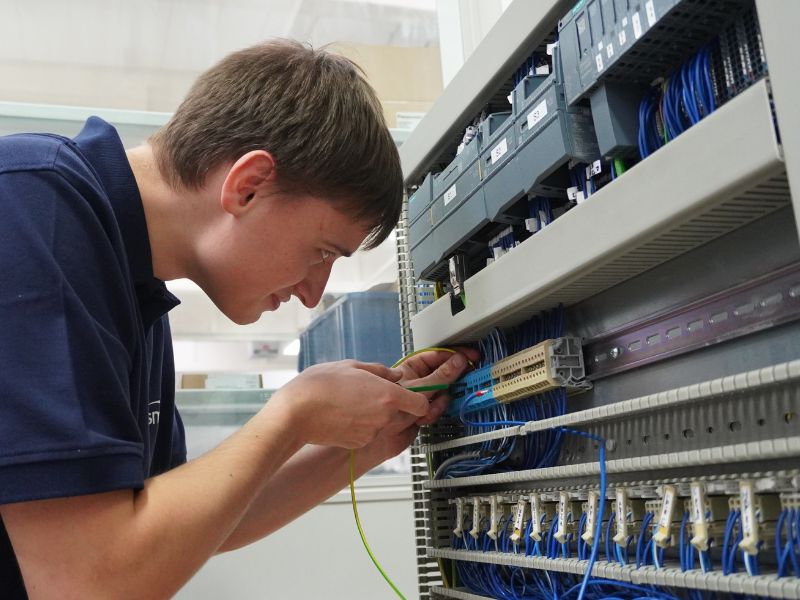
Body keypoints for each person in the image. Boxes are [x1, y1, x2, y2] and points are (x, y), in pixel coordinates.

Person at [0, 40, 476, 598]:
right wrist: (291, 416)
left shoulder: (136, 293)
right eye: (322, 251)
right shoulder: (35, 209)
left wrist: (370, 440)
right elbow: (86, 582)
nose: (311, 292)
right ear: (248, 185)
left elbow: (200, 521)